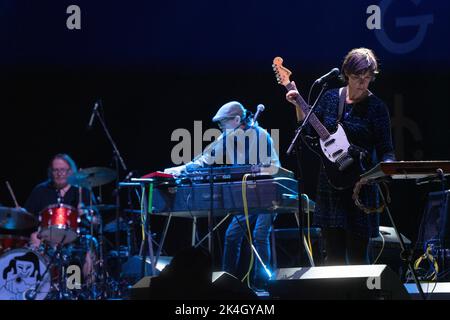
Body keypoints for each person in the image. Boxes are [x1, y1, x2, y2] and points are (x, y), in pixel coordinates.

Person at [285, 48, 395, 265]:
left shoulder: (377, 107)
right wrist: (298, 104)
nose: (362, 83)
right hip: (330, 184)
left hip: (361, 186)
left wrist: (385, 170)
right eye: (357, 77)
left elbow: (386, 149)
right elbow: (308, 133)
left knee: (358, 259)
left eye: (367, 78)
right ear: (346, 74)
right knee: (332, 257)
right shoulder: (329, 98)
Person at [164, 101, 280, 290]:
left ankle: (263, 285)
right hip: (245, 195)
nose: (220, 128)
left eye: (223, 123)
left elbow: (275, 166)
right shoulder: (225, 139)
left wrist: (257, 169)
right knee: (232, 235)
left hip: (267, 193)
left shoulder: (261, 135)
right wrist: (179, 170)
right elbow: (203, 161)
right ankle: (228, 283)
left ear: (236, 119)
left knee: (259, 235)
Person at [24, 153, 98, 283]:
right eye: (56, 170)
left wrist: (86, 213)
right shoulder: (41, 190)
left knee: (90, 242)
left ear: (71, 171)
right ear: (51, 172)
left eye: (63, 170)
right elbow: (27, 217)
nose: (59, 173)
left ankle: (83, 290)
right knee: (34, 237)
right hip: (47, 239)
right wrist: (21, 214)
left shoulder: (81, 190)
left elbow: (97, 221)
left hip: (75, 239)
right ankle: (41, 286)